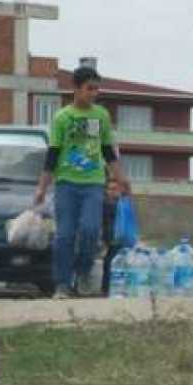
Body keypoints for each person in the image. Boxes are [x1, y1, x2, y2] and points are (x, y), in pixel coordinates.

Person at [34, 64, 131, 299]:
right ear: (76, 89)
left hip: (93, 183)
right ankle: (62, 284)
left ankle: (84, 269)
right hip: (66, 183)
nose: (94, 94)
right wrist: (42, 187)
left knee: (90, 230)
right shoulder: (62, 118)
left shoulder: (101, 116)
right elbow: (53, 155)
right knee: (64, 235)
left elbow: (108, 152)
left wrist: (121, 178)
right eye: (90, 89)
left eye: (97, 89)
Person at [100, 177, 123, 296]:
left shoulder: (123, 204)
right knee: (109, 262)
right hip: (110, 239)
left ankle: (108, 289)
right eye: (109, 189)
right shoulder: (105, 204)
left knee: (111, 263)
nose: (111, 191)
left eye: (115, 189)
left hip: (121, 239)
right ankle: (106, 290)